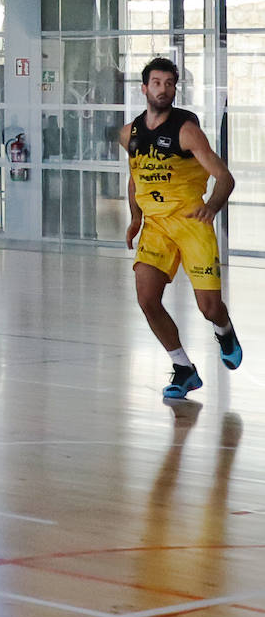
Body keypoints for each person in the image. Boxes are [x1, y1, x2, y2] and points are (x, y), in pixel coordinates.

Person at [120, 57, 242, 400]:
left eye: (169, 83)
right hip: (157, 227)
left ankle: (224, 329)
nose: (163, 89)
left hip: (191, 223)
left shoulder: (186, 131)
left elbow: (224, 178)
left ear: (175, 89)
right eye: (156, 83)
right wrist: (135, 219)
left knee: (208, 308)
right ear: (144, 89)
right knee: (147, 299)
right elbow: (136, 177)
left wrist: (212, 206)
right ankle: (184, 369)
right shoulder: (129, 133)